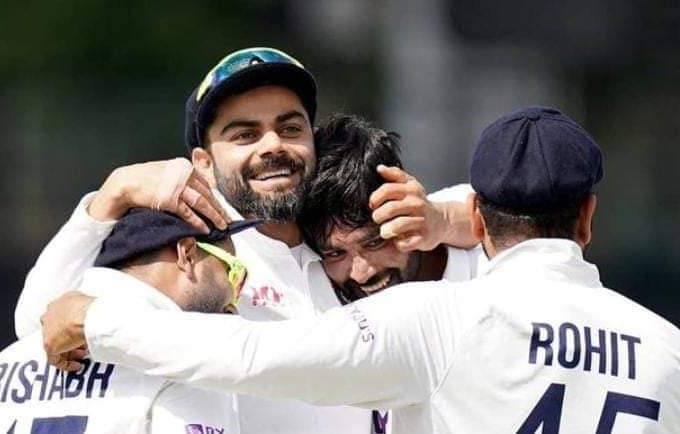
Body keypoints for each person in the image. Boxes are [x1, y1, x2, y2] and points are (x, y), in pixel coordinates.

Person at [42, 107, 680, 433]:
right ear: (589, 217)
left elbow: (247, 355)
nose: (360, 270)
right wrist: (446, 218)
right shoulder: (666, 348)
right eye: (335, 254)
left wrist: (96, 322)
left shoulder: (439, 320)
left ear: (477, 217)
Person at [12, 47, 474, 433]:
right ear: (204, 163)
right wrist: (109, 197)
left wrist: (444, 217)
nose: (272, 146)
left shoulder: (339, 235)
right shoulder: (195, 257)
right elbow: (40, 325)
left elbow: (494, 212)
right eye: (244, 135)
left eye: (290, 128)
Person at [0, 208, 260, 433]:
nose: (234, 301)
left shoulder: (2, 366)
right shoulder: (189, 364)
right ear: (187, 254)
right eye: (235, 274)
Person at [301, 114, 483, 304]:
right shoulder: (311, 295)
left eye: (374, 243)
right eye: (335, 254)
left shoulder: (485, 232)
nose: (361, 274)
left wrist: (446, 221)